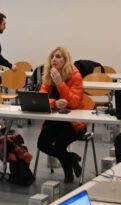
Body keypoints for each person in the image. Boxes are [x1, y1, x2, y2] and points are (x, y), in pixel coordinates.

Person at [35, 47, 94, 182]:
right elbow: (41, 99)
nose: (54, 59)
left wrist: (60, 83)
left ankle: (68, 172)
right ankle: (72, 159)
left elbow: (73, 103)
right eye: (52, 56)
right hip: (55, 120)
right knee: (42, 144)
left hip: (73, 123)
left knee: (59, 146)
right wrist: (55, 103)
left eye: (58, 56)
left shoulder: (75, 75)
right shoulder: (49, 75)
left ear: (66, 60)